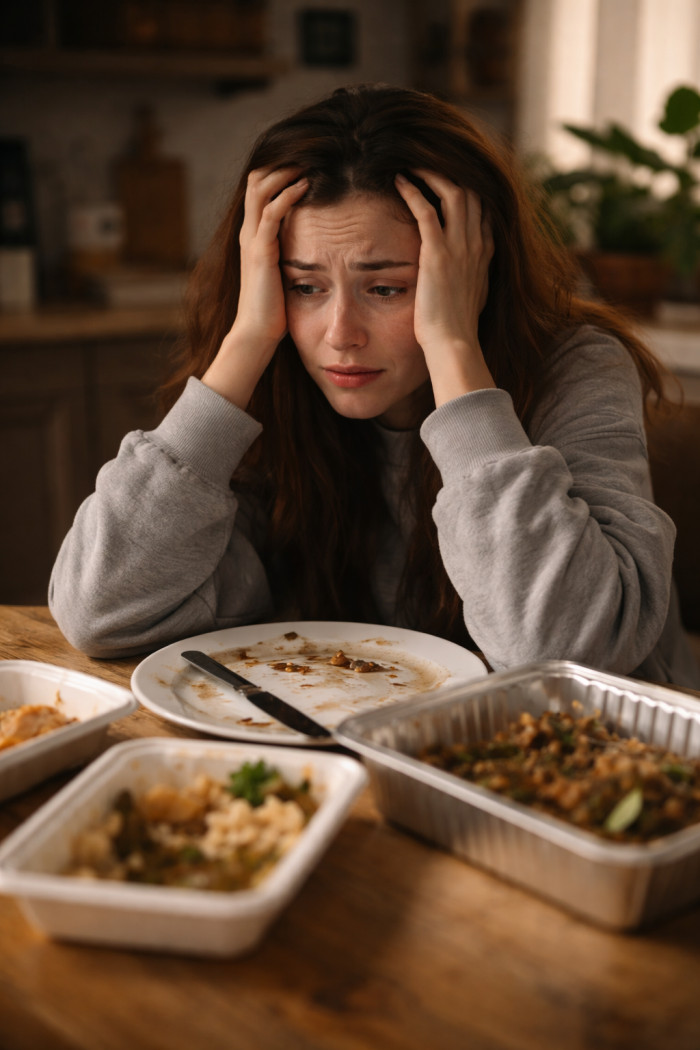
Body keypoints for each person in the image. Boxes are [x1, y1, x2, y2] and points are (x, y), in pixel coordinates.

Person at [49, 83, 700, 688]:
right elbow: (98, 611)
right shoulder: (276, 375)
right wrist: (246, 340)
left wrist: (452, 349)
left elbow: (560, 652)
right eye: (305, 286)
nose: (339, 334)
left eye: (387, 288)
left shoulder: (578, 367)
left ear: (473, 274)